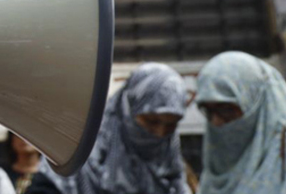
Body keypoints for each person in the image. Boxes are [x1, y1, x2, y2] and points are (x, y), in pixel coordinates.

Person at [27, 62, 191, 194]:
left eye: (171, 125)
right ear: (126, 110)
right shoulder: (74, 158)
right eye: (151, 121)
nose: (160, 133)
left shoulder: (171, 172)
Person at [195, 51, 286, 194]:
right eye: (209, 112)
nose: (217, 122)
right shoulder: (218, 158)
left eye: (227, 110)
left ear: (256, 101)